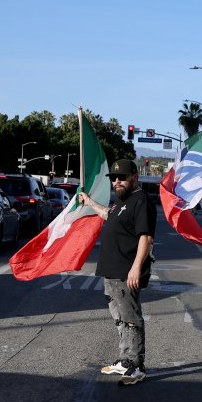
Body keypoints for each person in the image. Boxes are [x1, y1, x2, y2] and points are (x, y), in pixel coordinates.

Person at [78, 159, 157, 387]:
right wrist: (90, 202)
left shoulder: (141, 201)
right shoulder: (122, 202)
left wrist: (135, 267)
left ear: (135, 176)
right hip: (112, 272)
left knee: (131, 319)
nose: (117, 181)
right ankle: (124, 360)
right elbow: (107, 214)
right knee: (120, 318)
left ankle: (137, 366)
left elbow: (146, 237)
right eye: (114, 178)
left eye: (122, 177)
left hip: (126, 271)